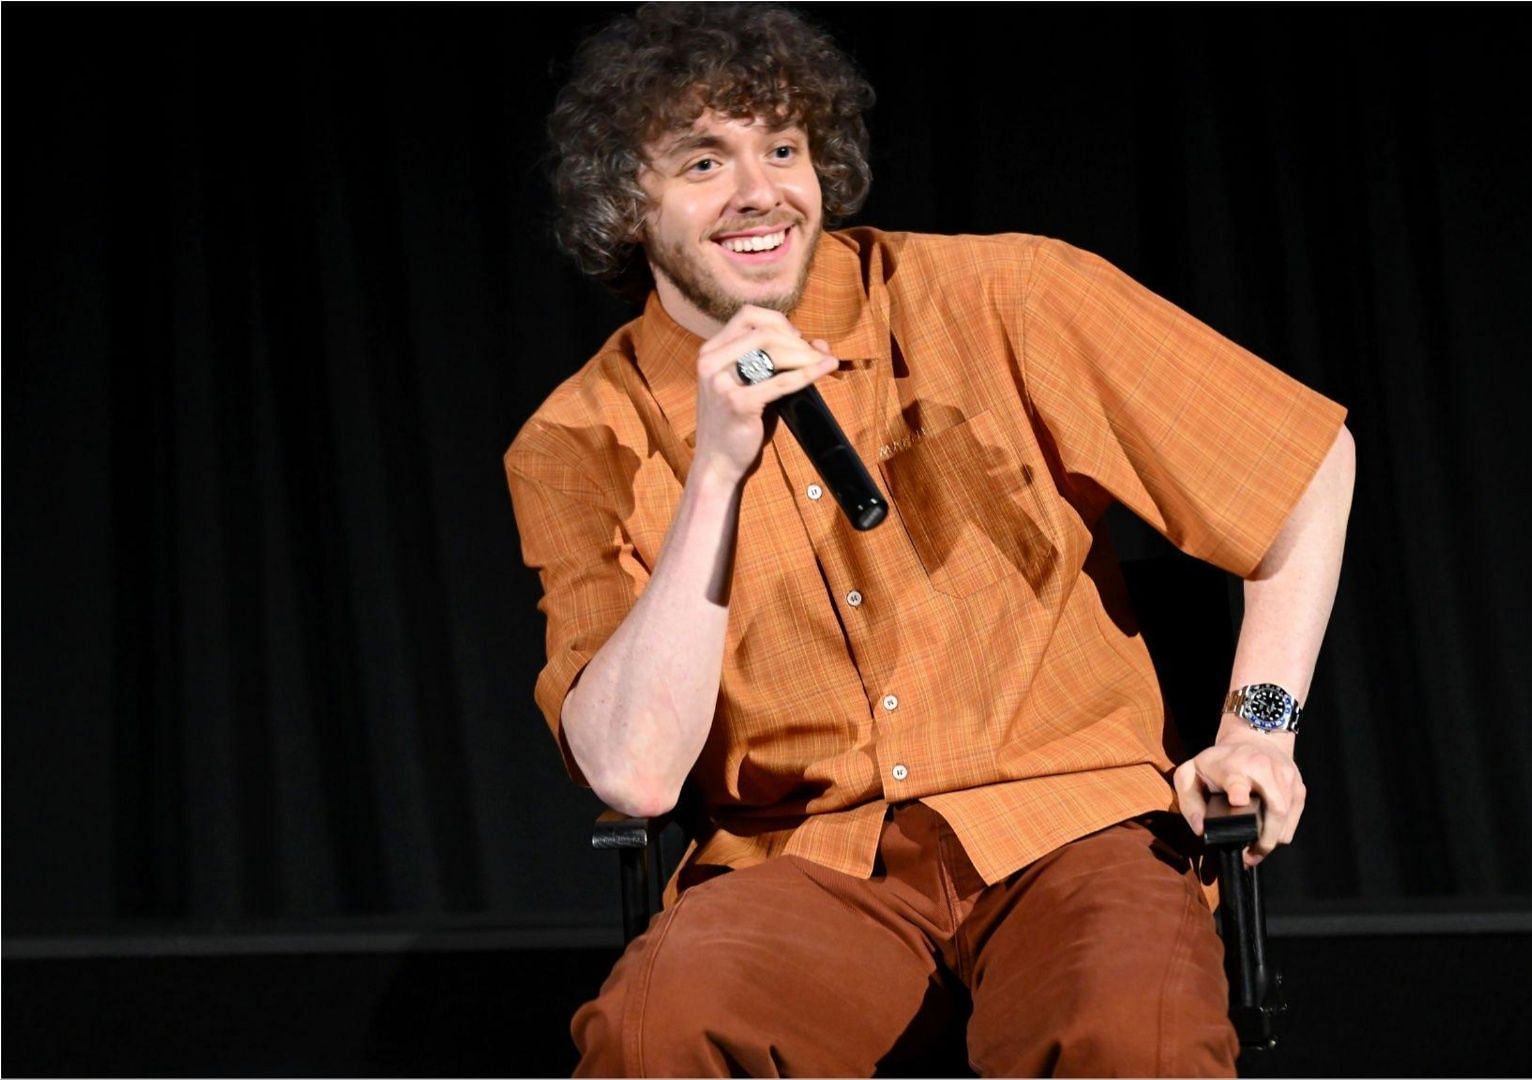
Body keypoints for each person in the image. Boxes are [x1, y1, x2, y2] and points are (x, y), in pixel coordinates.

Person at [505, 4, 1355, 1075]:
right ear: (630, 197)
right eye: (704, 161)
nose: (760, 188)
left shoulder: (1005, 295)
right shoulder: (578, 439)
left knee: (1130, 1037)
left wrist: (1260, 730)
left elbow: (1305, 468)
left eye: (783, 147)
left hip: (1071, 827)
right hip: (799, 863)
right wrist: (715, 472)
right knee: (653, 1035)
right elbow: (633, 773)